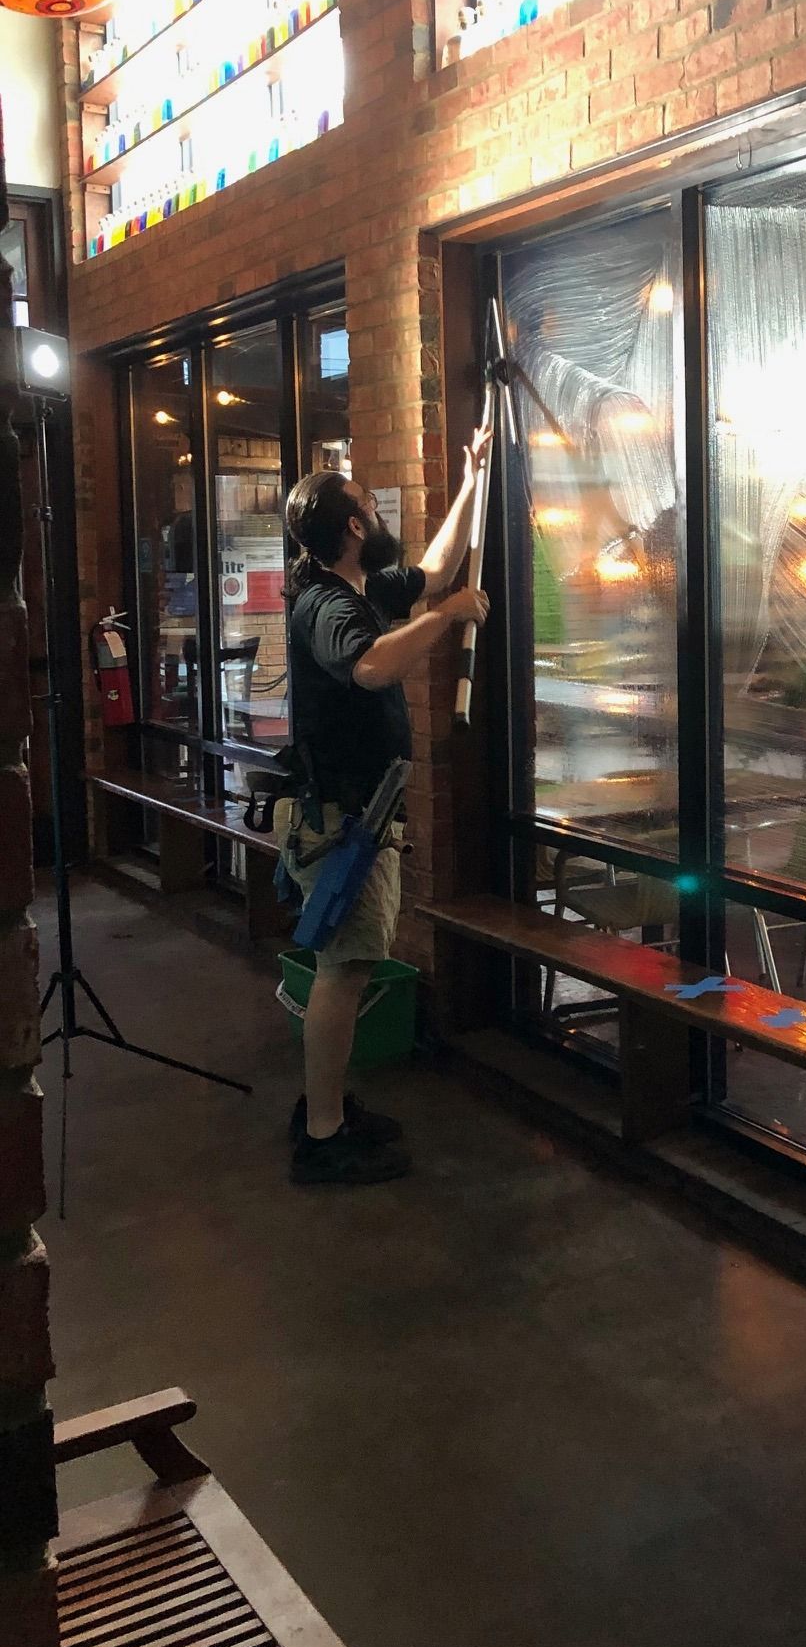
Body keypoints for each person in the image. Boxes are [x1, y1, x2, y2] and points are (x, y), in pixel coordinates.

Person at [278, 436, 490, 1186]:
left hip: (359, 811)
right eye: (367, 501)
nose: (375, 507)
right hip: (340, 818)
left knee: (351, 962)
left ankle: (326, 1106)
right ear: (355, 526)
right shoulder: (326, 603)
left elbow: (435, 567)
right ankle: (323, 1134)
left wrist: (472, 484)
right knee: (346, 967)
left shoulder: (363, 586)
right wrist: (449, 618)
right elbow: (370, 668)